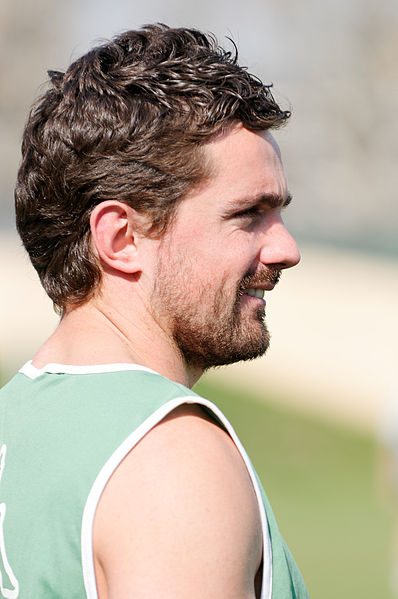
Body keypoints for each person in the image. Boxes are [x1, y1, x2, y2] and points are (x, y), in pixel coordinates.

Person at [0, 24, 309, 599]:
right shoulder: (170, 455)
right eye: (249, 214)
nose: (286, 249)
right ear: (120, 238)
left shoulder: (14, 424)